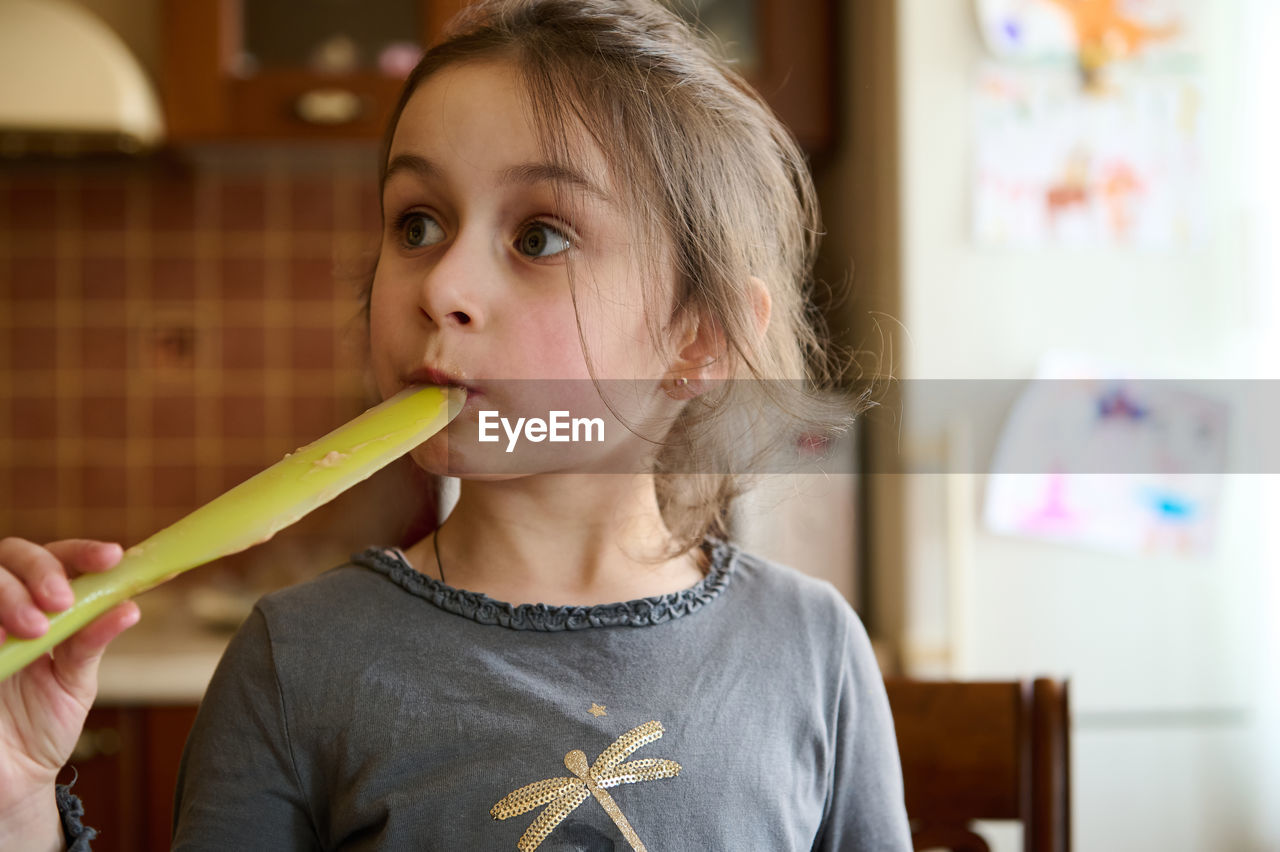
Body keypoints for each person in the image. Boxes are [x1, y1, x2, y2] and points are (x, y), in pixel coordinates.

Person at [0, 0, 912, 849]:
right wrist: (17, 803)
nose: (441, 288)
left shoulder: (814, 650)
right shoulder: (296, 662)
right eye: (418, 225)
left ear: (697, 339)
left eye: (539, 237)